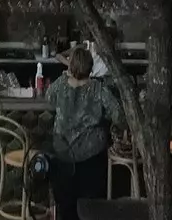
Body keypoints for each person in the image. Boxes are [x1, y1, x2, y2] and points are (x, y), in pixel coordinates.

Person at [44, 44, 114, 220]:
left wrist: (65, 77)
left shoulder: (60, 85)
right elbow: (119, 114)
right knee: (90, 209)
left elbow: (49, 98)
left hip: (63, 156)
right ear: (90, 67)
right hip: (91, 158)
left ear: (70, 65)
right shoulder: (99, 89)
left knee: (65, 207)